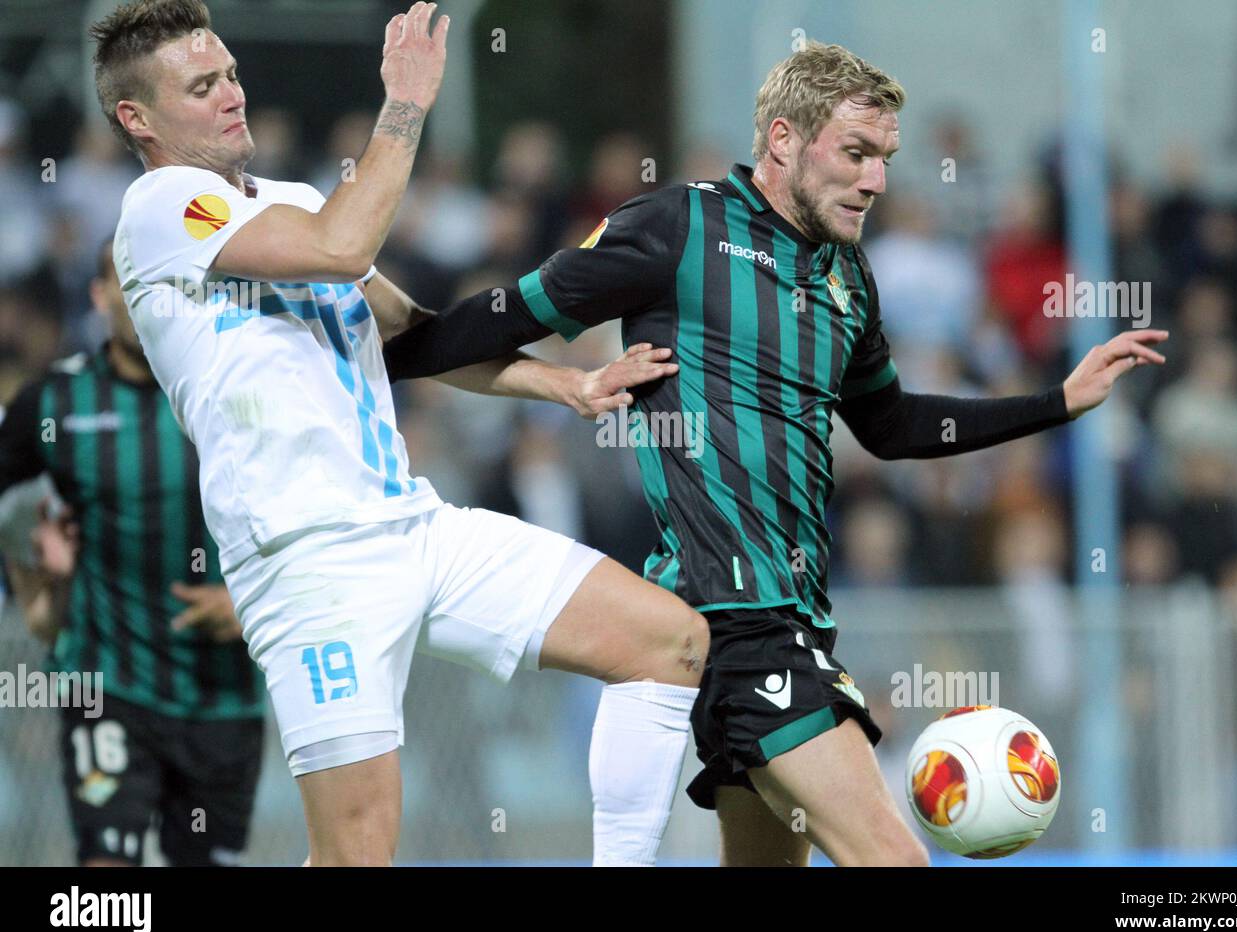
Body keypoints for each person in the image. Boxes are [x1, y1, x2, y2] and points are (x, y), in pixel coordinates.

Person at [381, 41, 1170, 865]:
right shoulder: (676, 227)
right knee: (896, 860)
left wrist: (1058, 402)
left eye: (886, 159)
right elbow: (492, 323)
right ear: (785, 139)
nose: (876, 180)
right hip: (732, 617)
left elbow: (892, 425)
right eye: (856, 153)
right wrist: (371, 340)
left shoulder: (847, 279)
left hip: (797, 621)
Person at [95, 0, 708, 866]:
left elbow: (410, 333)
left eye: (229, 73)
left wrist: (563, 382)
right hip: (308, 562)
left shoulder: (292, 202)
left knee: (668, 641)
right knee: (357, 855)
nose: (232, 94)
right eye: (201, 87)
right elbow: (345, 248)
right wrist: (406, 104)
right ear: (137, 118)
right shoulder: (161, 209)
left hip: (415, 526)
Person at [0, 238, 262, 866]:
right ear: (100, 296)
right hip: (107, 681)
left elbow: (317, 512)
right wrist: (34, 587)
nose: (151, 301)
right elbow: (9, 507)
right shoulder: (54, 405)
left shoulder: (240, 393)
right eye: (131, 283)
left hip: (222, 689)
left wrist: (254, 601)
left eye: (168, 285)